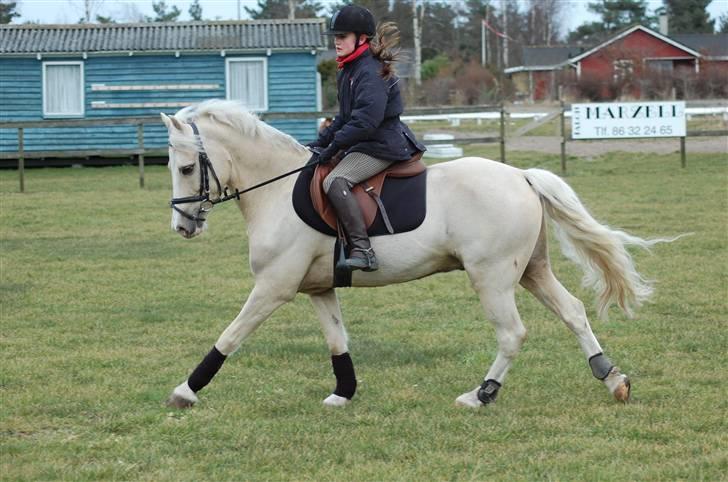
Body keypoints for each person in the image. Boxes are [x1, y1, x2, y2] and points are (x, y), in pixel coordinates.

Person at [307, 4, 426, 272]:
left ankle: (364, 249)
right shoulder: (349, 69)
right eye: (335, 37)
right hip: (367, 141)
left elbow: (365, 122)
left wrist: (334, 146)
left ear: (361, 38)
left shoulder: (369, 71)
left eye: (342, 36)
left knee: (336, 180)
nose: (337, 42)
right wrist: (320, 142)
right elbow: (344, 117)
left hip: (381, 145)